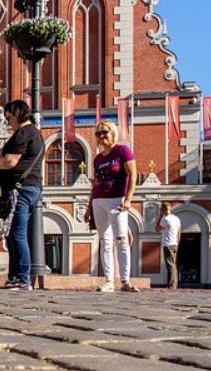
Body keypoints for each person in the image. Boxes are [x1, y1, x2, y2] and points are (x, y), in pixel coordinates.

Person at [0, 100, 45, 291]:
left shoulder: (23, 133)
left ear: (16, 113)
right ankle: (15, 276)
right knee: (12, 234)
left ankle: (22, 278)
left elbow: (10, 162)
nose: (8, 120)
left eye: (9, 116)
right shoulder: (34, 133)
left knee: (16, 234)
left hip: (20, 188)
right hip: (30, 188)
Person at [83, 121, 139, 293]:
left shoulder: (122, 151)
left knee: (121, 239)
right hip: (99, 201)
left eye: (104, 132)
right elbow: (96, 182)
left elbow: (133, 174)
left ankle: (125, 280)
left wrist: (128, 199)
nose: (101, 136)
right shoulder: (98, 158)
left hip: (117, 200)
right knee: (105, 241)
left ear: (112, 132)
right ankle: (109, 280)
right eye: (98, 134)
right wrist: (88, 207)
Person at [158, 202, 182, 288]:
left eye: (162, 210)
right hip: (175, 243)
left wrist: (160, 217)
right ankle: (174, 284)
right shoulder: (176, 219)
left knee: (170, 265)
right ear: (170, 209)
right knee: (173, 264)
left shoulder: (165, 219)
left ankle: (172, 285)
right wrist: (177, 243)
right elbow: (179, 232)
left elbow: (157, 230)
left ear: (163, 210)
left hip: (167, 244)